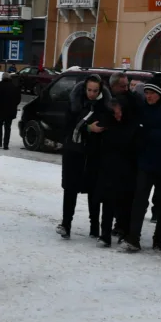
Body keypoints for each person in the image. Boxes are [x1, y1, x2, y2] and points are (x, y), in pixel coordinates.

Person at [124, 81, 161, 252]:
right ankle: (133, 238)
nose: (148, 96)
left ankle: (158, 240)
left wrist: (149, 133)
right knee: (140, 200)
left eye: (152, 93)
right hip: (146, 163)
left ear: (160, 94)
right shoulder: (144, 108)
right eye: (147, 92)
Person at [56, 75, 110, 239]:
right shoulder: (75, 104)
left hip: (94, 154)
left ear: (100, 90)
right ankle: (66, 224)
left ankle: (95, 227)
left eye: (95, 90)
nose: (92, 94)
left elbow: (106, 126)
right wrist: (86, 128)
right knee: (70, 189)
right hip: (74, 151)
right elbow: (68, 125)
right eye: (89, 90)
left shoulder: (104, 106)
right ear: (84, 88)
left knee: (94, 191)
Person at [95, 95, 139, 247]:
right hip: (109, 168)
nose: (117, 115)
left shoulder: (132, 125)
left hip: (127, 170)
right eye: (114, 112)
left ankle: (123, 231)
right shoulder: (108, 122)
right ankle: (104, 234)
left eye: (119, 112)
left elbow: (132, 146)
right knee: (107, 202)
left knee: (125, 203)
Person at [0, 72, 22, 149]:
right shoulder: (14, 87)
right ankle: (6, 145)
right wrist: (14, 105)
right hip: (10, 111)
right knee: (8, 127)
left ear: (2, 78)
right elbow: (18, 99)